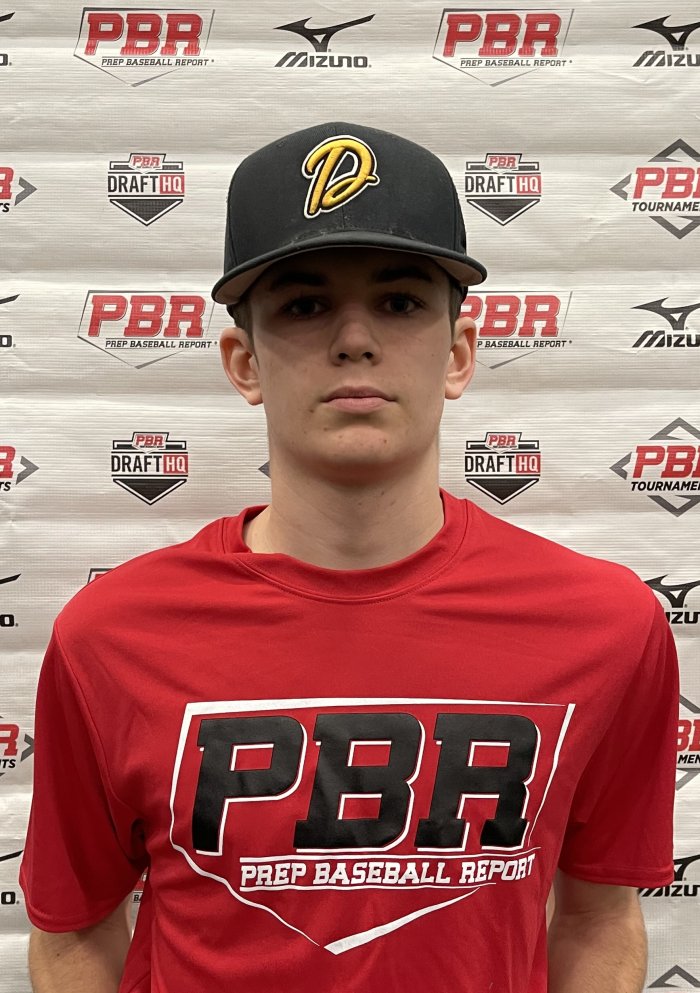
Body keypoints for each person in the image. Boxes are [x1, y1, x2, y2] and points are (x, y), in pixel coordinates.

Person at [20, 122, 678, 993]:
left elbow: (598, 916)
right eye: (304, 305)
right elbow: (73, 932)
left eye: (400, 303)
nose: (356, 338)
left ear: (459, 353)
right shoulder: (112, 636)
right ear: (244, 362)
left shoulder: (605, 625)